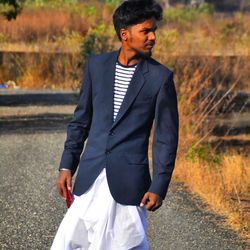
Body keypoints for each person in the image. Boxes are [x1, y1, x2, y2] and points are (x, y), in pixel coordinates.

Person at [51, 0, 179, 249]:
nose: (152, 37)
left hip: (129, 184)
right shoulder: (96, 66)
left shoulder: (160, 78)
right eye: (145, 31)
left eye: (154, 31)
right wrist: (67, 165)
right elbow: (81, 121)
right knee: (71, 242)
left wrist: (159, 186)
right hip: (90, 178)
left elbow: (166, 138)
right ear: (125, 34)